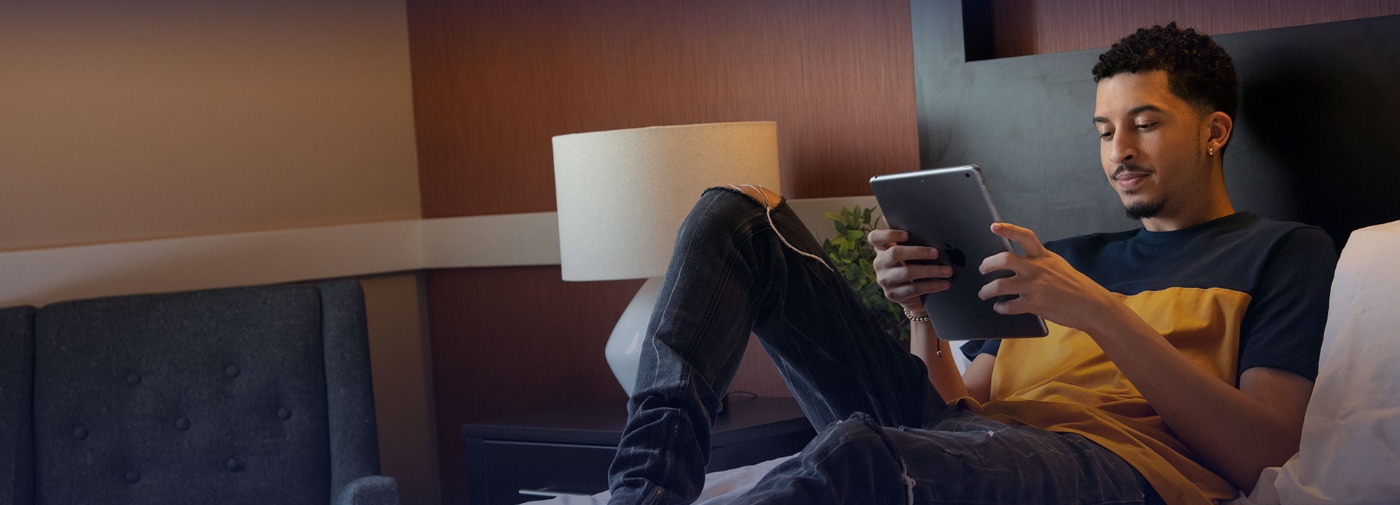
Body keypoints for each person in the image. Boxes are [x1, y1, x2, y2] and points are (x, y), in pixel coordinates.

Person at [607, 23, 1336, 505]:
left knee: (857, 457)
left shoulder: (1282, 251)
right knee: (735, 214)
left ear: (1214, 132)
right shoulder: (1059, 259)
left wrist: (1097, 310)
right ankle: (644, 493)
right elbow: (958, 407)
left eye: (1145, 124)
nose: (1119, 151)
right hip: (980, 441)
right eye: (1104, 130)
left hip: (1111, 464)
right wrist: (921, 309)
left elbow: (1263, 452)